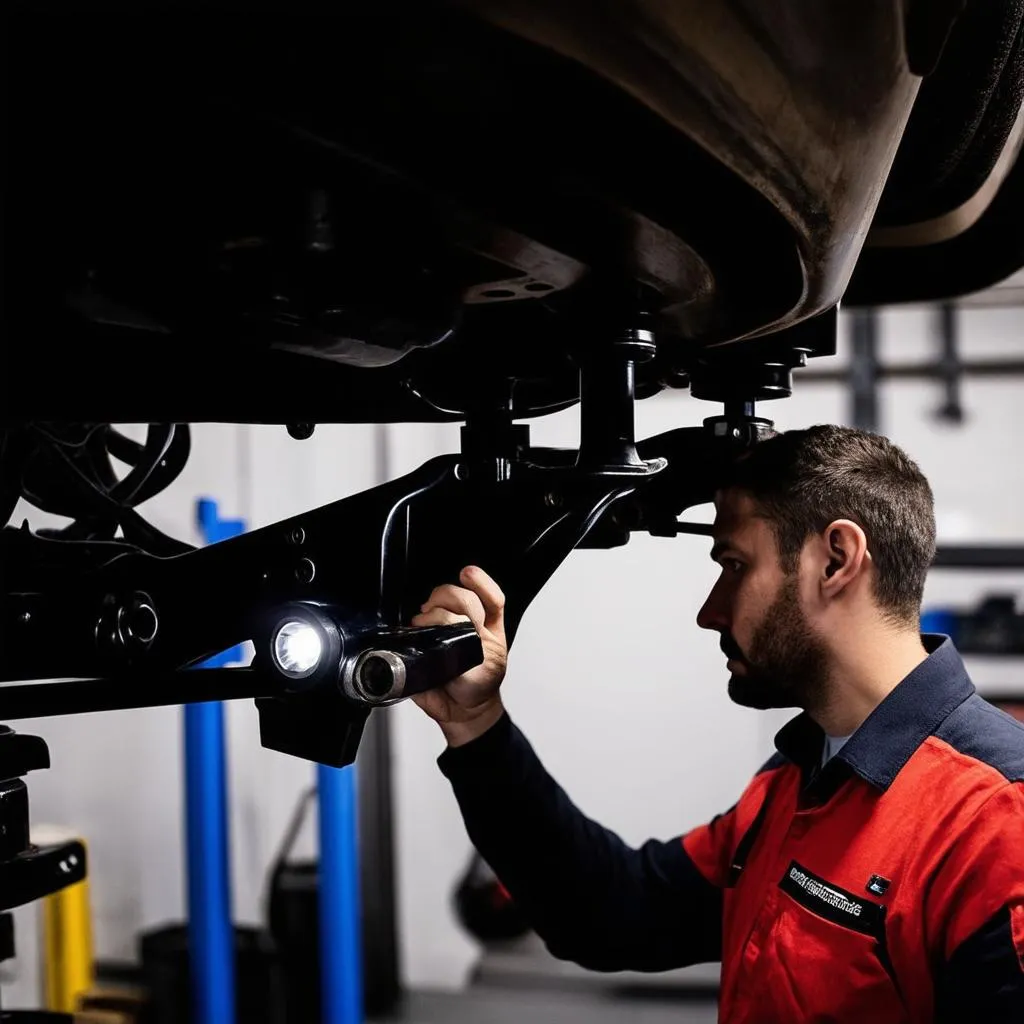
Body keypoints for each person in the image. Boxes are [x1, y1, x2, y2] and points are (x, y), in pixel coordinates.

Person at [410, 424, 1024, 1023]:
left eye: (733, 565)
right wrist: (476, 722)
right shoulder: (800, 777)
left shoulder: (995, 823)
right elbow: (614, 913)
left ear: (835, 561)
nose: (710, 611)